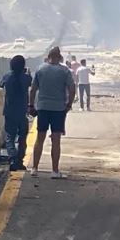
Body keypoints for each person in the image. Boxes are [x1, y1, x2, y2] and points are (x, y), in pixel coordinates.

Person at [29, 46, 76, 178]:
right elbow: (72, 89)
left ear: (48, 57)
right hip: (58, 109)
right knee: (56, 140)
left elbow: (33, 90)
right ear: (60, 58)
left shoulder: (40, 69)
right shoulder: (64, 70)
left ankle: (34, 168)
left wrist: (31, 105)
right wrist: (69, 105)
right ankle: (55, 171)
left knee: (40, 138)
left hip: (43, 108)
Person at [0, 55, 32, 171]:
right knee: (22, 137)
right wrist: (27, 72)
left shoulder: (7, 77)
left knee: (10, 137)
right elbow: (30, 82)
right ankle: (20, 159)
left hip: (9, 111)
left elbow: (1, 84)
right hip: (22, 112)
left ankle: (13, 158)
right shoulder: (26, 78)